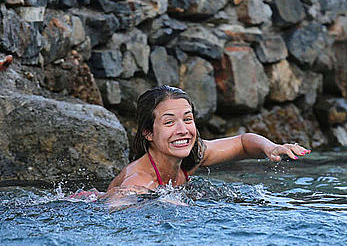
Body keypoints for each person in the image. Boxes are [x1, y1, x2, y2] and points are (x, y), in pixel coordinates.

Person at [107, 85, 310, 195]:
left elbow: (242, 143)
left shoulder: (194, 155)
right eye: (169, 123)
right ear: (148, 133)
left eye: (188, 119)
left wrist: (271, 148)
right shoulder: (138, 182)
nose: (183, 130)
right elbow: (114, 215)